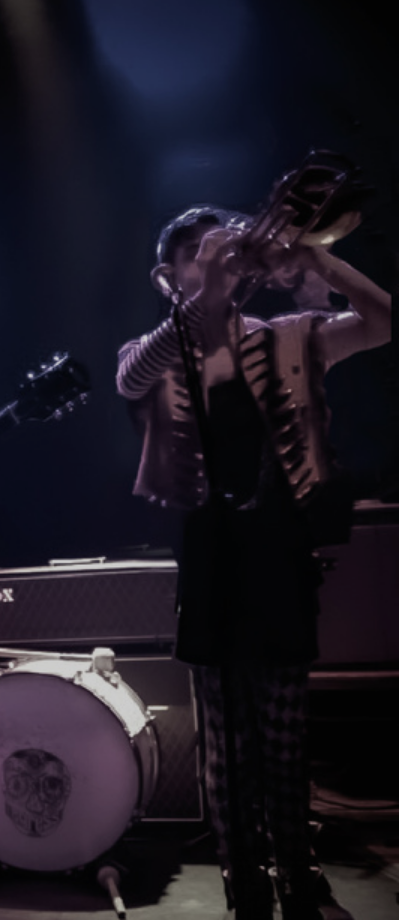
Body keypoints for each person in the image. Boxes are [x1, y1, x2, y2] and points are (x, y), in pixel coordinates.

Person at [117, 204, 388, 920]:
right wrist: (208, 289)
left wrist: (317, 259)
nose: (220, 260)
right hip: (211, 561)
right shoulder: (155, 351)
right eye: (197, 253)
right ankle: (245, 881)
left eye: (226, 248)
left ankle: (298, 872)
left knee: (285, 737)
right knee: (228, 746)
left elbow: (385, 321)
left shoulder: (287, 338)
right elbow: (131, 381)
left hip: (280, 555)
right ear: (167, 274)